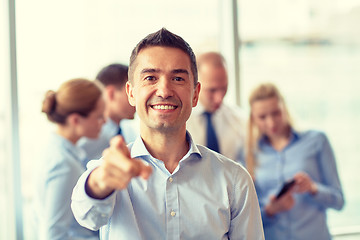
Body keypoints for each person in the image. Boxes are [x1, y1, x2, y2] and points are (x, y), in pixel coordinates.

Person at [71, 28, 264, 239]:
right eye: (151, 78)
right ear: (131, 93)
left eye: (178, 79)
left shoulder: (235, 181)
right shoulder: (109, 172)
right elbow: (86, 214)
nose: (164, 91)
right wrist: (99, 183)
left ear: (195, 94)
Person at [245, 82, 344, 240]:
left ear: (284, 108)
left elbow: (339, 201)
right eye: (262, 117)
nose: (271, 122)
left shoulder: (317, 141)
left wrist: (313, 188)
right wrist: (271, 210)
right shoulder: (247, 153)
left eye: (276, 113)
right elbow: (244, 219)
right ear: (253, 118)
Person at [33, 78, 105, 240]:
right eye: (99, 116)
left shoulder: (53, 149)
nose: (104, 121)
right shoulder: (64, 164)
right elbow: (54, 235)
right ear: (75, 120)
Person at [186, 52, 246, 163]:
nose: (219, 98)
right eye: (212, 90)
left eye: (224, 88)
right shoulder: (180, 121)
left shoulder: (239, 120)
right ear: (195, 85)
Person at [77, 63, 137, 165]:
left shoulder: (130, 132)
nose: (136, 98)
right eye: (129, 91)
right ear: (111, 93)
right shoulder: (87, 136)